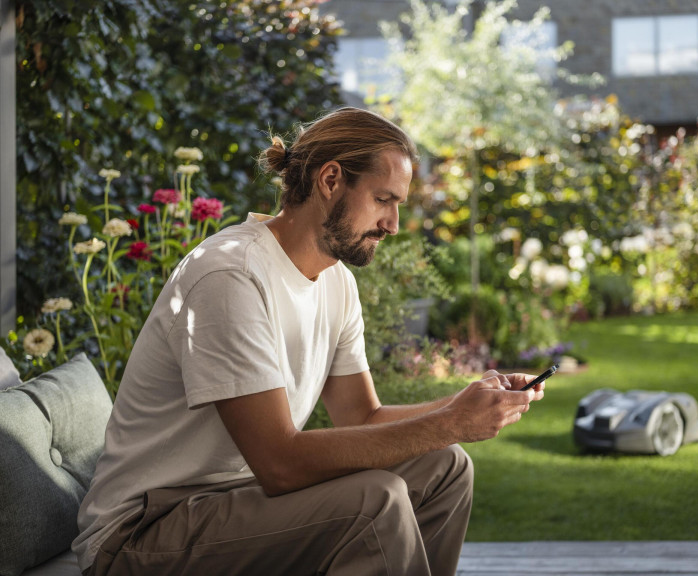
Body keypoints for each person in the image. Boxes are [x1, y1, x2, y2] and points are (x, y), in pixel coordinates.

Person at [73, 107, 545, 576]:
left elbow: (362, 417)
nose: (394, 224)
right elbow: (280, 463)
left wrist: (463, 407)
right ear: (331, 179)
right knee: (373, 502)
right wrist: (450, 423)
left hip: (236, 504)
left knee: (444, 468)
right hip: (143, 533)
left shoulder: (335, 282)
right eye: (383, 199)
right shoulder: (231, 275)